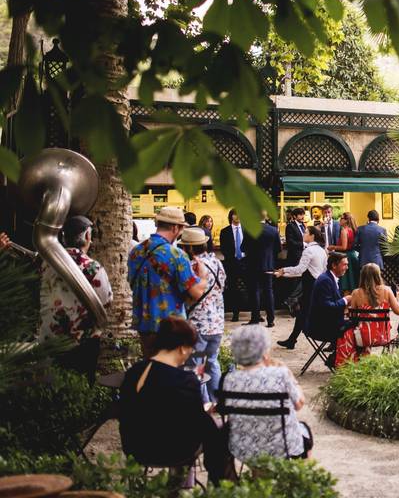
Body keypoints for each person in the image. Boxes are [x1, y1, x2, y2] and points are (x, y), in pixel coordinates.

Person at [1, 217, 113, 383]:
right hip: (82, 342)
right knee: (81, 385)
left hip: (50, 338)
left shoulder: (45, 264)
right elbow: (106, 300)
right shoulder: (93, 268)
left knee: (52, 385)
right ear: (87, 237)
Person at [119, 318, 230, 484]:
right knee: (215, 429)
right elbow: (194, 422)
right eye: (190, 349)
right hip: (174, 451)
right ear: (182, 348)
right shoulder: (185, 380)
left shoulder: (135, 372)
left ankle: (183, 486)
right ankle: (217, 484)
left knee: (203, 425)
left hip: (136, 447)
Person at [220, 325, 312, 460]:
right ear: (263, 350)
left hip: (243, 448)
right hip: (282, 446)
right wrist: (293, 380)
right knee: (305, 430)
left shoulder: (229, 379)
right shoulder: (281, 373)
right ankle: (297, 478)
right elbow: (299, 404)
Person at [129, 207, 206, 358]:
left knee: (151, 370)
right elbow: (196, 292)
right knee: (169, 373)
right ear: (175, 227)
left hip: (144, 324)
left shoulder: (136, 251)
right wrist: (203, 277)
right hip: (171, 326)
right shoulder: (176, 254)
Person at [179, 226, 225, 404]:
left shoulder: (192, 267)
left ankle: (203, 405)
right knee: (212, 363)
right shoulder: (217, 263)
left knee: (195, 366)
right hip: (217, 323)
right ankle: (217, 403)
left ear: (189, 248)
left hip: (198, 324)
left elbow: (188, 292)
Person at [335, 263, 399, 366]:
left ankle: (353, 361)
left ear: (362, 276)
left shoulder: (356, 293)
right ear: (378, 275)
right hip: (382, 336)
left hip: (362, 337)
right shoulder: (387, 290)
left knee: (345, 332)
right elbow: (398, 311)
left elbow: (352, 317)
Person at [275, 225, 328, 350]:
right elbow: (306, 271)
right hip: (318, 284)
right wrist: (283, 273)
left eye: (306, 232)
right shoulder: (321, 250)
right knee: (303, 314)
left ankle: (292, 340)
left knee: (304, 314)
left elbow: (300, 269)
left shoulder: (308, 251)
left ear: (312, 236)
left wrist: (283, 270)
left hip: (310, 286)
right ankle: (292, 340)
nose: (303, 234)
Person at [306, 252, 354, 368]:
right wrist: (345, 300)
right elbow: (327, 307)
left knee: (356, 325)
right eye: (344, 265)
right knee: (356, 329)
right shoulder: (325, 280)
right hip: (320, 326)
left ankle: (337, 357)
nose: (347, 268)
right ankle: (339, 359)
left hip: (328, 322)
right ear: (334, 265)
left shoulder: (331, 278)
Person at [247, 214, 281, 327]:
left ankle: (255, 318)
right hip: (268, 264)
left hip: (253, 264)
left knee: (255, 291)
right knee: (269, 291)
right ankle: (271, 319)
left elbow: (243, 247)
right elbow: (278, 249)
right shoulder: (273, 230)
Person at [219, 209, 251, 322]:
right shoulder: (225, 231)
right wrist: (232, 258)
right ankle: (235, 313)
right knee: (233, 288)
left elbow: (251, 245)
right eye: (235, 214)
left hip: (246, 262)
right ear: (231, 216)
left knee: (251, 287)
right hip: (232, 263)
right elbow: (223, 248)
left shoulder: (247, 230)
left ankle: (255, 313)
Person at [328, 212, 359, 292]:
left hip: (346, 257)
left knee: (346, 284)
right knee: (353, 282)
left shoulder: (344, 231)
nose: (339, 220)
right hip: (353, 256)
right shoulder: (352, 229)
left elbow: (344, 247)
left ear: (346, 220)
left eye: (341, 218)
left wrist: (333, 247)